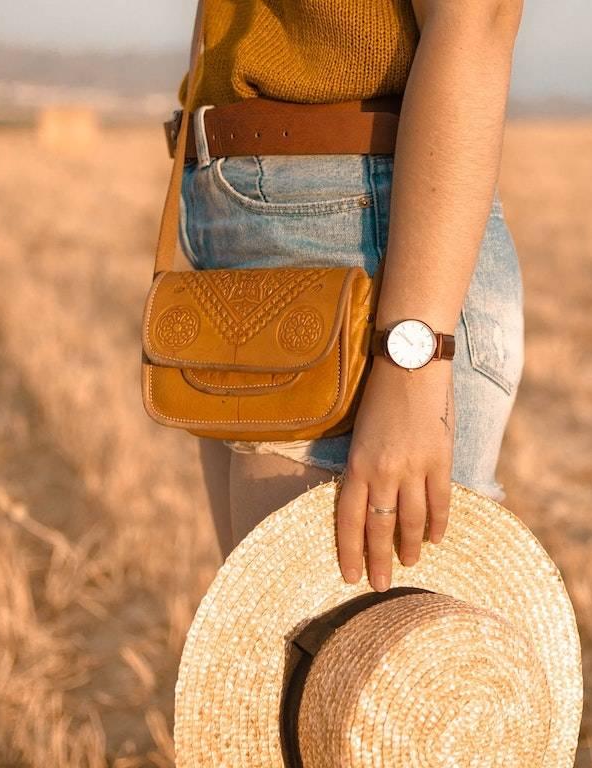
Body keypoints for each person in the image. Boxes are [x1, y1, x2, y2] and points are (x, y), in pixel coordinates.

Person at [178, 0, 525, 594]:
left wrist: (412, 357)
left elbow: (478, 13)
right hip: (246, 213)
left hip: (364, 237)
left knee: (367, 667)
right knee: (278, 660)